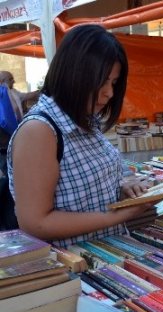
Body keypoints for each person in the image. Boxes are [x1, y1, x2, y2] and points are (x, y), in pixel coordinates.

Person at [7, 24, 152, 247]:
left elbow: (82, 192)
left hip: (109, 254)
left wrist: (120, 188)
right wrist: (119, 215)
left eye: (113, 83)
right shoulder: (39, 131)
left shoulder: (85, 121)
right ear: (75, 74)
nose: (110, 93)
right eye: (102, 81)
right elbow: (35, 223)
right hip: (75, 267)